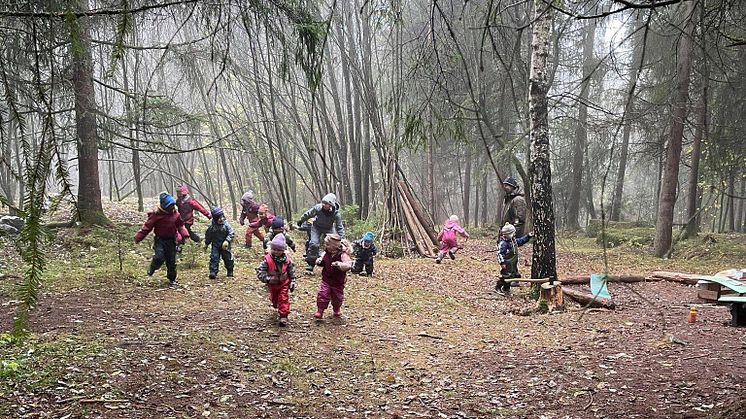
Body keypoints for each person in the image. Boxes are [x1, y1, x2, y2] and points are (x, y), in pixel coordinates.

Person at [135, 192, 189, 286]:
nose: (172, 207)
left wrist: (185, 234)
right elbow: (147, 227)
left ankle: (172, 279)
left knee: (171, 261)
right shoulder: (156, 215)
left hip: (171, 240)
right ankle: (153, 267)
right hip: (160, 240)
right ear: (164, 206)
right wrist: (139, 237)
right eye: (170, 206)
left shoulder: (175, 215)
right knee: (159, 257)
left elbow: (180, 225)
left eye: (173, 205)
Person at [296, 193, 345, 273]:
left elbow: (339, 227)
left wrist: (341, 238)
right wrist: (301, 220)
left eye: (327, 203)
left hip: (329, 228)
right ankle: (311, 264)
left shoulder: (336, 214)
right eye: (324, 203)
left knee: (334, 245)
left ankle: (331, 264)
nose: (324, 205)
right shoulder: (318, 208)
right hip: (316, 227)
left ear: (331, 205)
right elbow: (308, 214)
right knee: (314, 244)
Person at [256, 234, 297, 327]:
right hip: (272, 283)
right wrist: (267, 279)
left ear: (283, 250)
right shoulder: (267, 260)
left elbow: (291, 271)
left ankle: (283, 315)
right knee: (275, 298)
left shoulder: (287, 260)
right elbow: (260, 272)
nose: (276, 251)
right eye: (274, 249)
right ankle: (275, 302)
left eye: (279, 250)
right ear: (271, 249)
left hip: (284, 282)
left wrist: (293, 281)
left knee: (283, 298)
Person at [313, 234, 352, 320]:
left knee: (337, 297)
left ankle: (336, 308)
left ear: (334, 245)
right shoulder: (326, 252)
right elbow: (321, 259)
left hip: (338, 281)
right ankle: (320, 310)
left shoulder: (342, 254)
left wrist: (339, 264)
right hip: (326, 279)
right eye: (325, 244)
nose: (325, 246)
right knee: (322, 294)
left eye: (327, 244)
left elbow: (348, 265)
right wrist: (319, 261)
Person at [494, 223, 532, 296]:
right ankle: (498, 287)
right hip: (507, 263)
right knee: (505, 276)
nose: (514, 234)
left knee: (514, 274)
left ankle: (506, 289)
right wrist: (502, 263)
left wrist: (528, 236)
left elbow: (521, 241)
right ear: (507, 234)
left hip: (513, 263)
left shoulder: (513, 241)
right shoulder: (503, 243)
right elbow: (500, 254)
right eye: (513, 233)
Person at [204, 207, 235, 279]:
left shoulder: (226, 225)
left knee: (228, 258)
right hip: (215, 245)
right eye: (219, 218)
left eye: (222, 217)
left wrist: (227, 240)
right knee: (214, 257)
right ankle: (213, 272)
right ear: (215, 219)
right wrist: (206, 243)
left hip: (225, 245)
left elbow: (231, 233)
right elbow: (208, 235)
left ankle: (230, 270)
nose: (221, 219)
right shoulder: (212, 227)